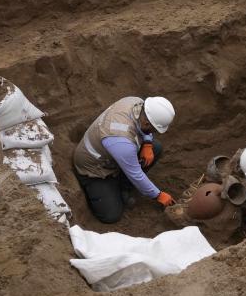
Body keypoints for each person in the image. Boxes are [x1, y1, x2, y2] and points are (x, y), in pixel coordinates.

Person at [73, 96, 176, 224]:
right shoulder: (121, 141)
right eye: (154, 130)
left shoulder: (135, 102)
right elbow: (136, 174)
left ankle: (123, 187)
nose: (153, 132)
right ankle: (110, 187)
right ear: (147, 124)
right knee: (111, 215)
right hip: (94, 168)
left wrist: (148, 143)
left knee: (156, 148)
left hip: (113, 152)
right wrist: (158, 195)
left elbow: (143, 128)